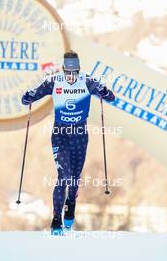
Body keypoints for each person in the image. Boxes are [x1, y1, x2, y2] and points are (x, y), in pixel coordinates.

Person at [22, 50, 115, 235]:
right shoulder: (54, 80)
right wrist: (28, 97)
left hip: (80, 135)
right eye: (68, 73)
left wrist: (104, 91)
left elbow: (111, 97)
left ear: (79, 70)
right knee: (64, 175)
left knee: (74, 179)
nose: (71, 77)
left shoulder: (87, 81)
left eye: (75, 72)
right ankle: (56, 219)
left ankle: (71, 202)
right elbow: (31, 95)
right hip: (60, 134)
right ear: (63, 70)